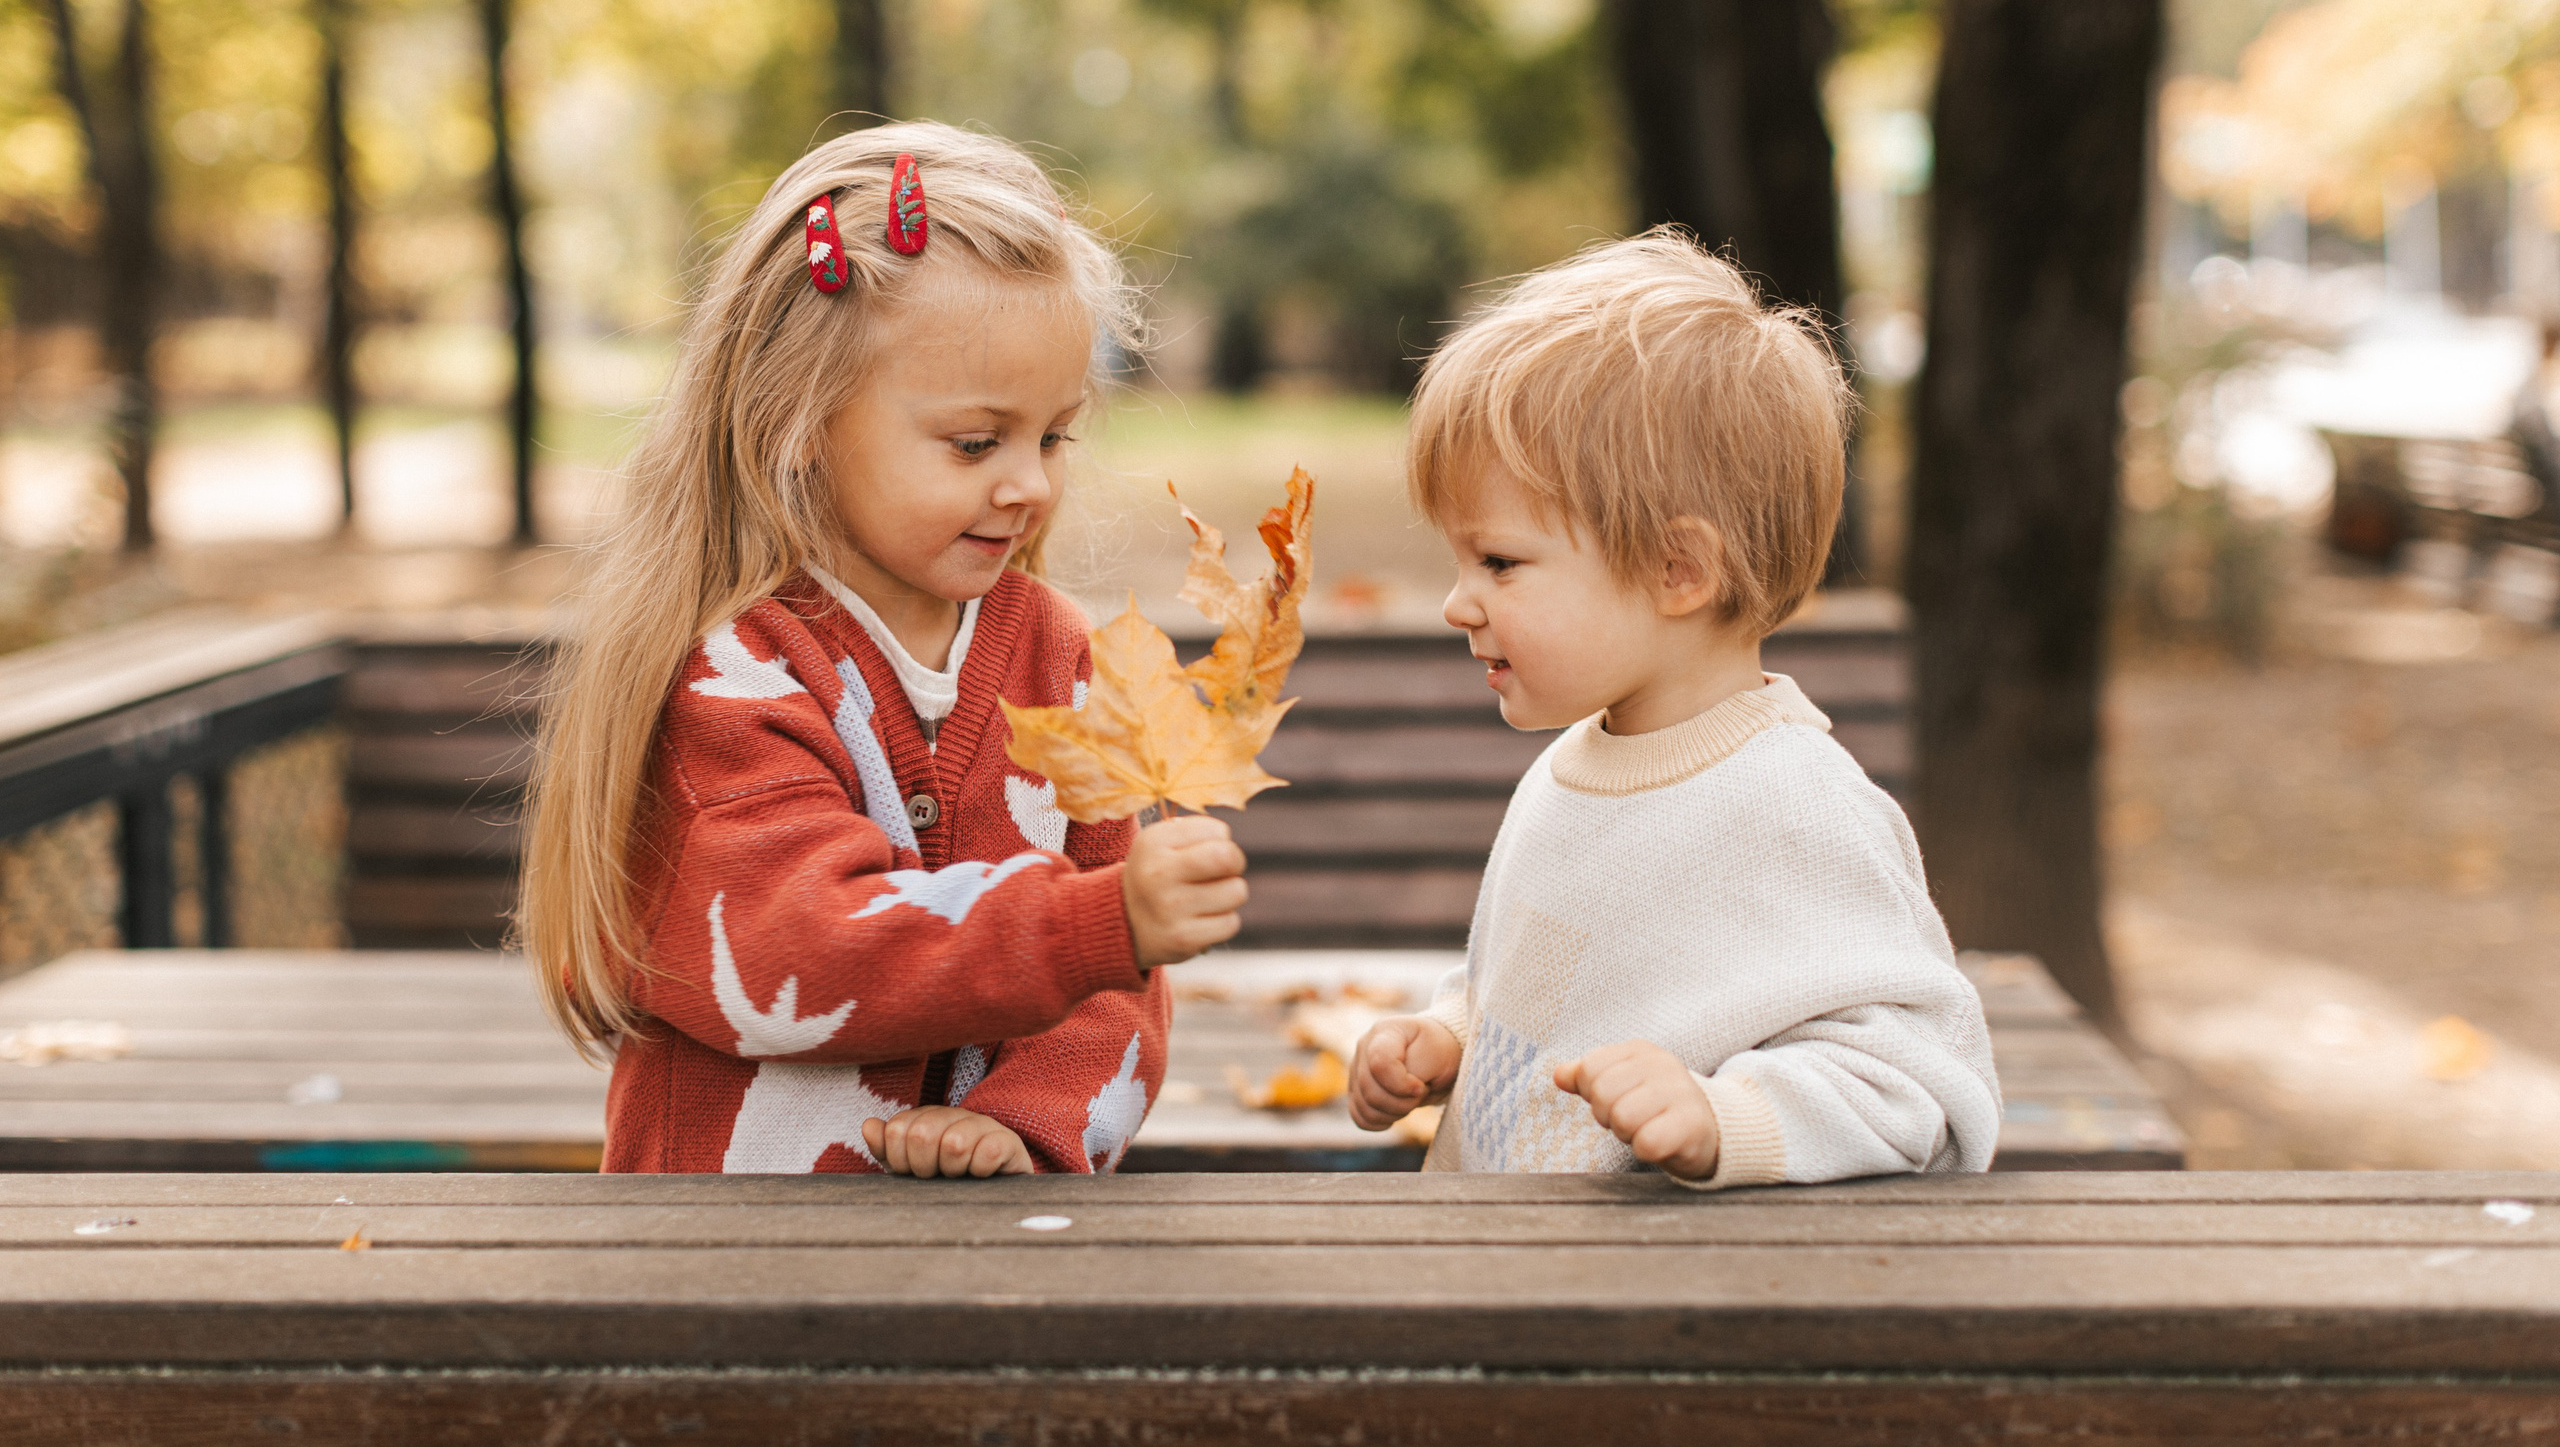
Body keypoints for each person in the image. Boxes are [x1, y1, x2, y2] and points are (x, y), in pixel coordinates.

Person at [517, 122, 1247, 1177]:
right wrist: (1094, 923)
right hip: (726, 1263)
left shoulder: (1063, 664)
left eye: (1052, 436)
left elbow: (1119, 996)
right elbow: (795, 952)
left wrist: (1022, 1118)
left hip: (979, 1251)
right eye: (973, 442)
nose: (1029, 485)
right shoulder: (733, 683)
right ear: (802, 421)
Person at [1347, 231, 2001, 1189]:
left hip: (1671, 1310)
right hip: (1506, 1281)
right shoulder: (1577, 766)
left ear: (1677, 570)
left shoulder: (1797, 804)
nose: (1458, 602)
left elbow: (1920, 1086)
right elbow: (1547, 989)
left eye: (1499, 562)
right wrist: (1450, 1037)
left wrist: (1726, 1118)